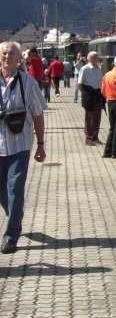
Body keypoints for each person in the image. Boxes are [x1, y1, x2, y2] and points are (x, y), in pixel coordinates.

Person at [0, 41, 47, 254]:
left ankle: (11, 235)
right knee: (3, 191)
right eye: (3, 53)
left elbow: (37, 115)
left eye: (11, 53)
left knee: (14, 188)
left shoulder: (28, 83)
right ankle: (15, 215)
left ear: (20, 58)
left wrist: (41, 144)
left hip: (19, 145)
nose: (6, 56)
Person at [78, 51, 104, 145]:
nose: (98, 59)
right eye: (96, 57)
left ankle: (95, 137)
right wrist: (85, 94)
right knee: (89, 117)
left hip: (98, 94)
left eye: (97, 57)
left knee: (97, 116)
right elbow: (80, 84)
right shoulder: (85, 69)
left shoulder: (99, 68)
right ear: (91, 59)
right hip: (89, 94)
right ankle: (88, 138)